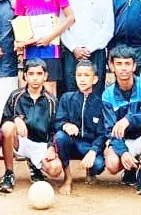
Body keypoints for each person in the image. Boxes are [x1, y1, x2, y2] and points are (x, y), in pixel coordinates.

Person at [14, 0, 76, 95]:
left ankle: (51, 117)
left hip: (50, 48)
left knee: (49, 89)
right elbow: (19, 21)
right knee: (29, 89)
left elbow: (70, 17)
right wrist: (21, 44)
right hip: (30, 49)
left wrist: (50, 37)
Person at [0, 59, 60, 192]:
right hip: (20, 142)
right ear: (24, 76)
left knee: (55, 169)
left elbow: (55, 128)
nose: (35, 78)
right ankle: (9, 173)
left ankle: (35, 165)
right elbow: (4, 122)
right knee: (8, 127)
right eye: (31, 74)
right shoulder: (15, 96)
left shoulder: (52, 101)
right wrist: (16, 119)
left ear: (45, 76)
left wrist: (51, 147)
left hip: (40, 144)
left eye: (39, 74)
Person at [102, 45, 141, 194]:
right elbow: (109, 130)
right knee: (112, 164)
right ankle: (130, 169)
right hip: (124, 140)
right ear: (111, 66)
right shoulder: (108, 94)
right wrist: (123, 152)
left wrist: (130, 119)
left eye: (127, 63)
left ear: (134, 66)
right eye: (119, 64)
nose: (123, 68)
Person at [51, 60, 112, 195]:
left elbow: (102, 134)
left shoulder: (100, 103)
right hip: (71, 144)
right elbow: (57, 122)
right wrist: (65, 125)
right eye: (79, 75)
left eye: (86, 75)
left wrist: (94, 151)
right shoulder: (67, 98)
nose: (82, 79)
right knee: (60, 137)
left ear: (95, 79)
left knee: (98, 165)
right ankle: (68, 177)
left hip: (89, 146)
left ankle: (90, 171)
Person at [62, 0, 112, 95]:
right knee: (72, 92)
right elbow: (62, 26)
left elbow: (108, 28)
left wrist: (89, 48)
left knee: (96, 92)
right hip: (72, 53)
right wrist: (74, 48)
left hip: (95, 52)